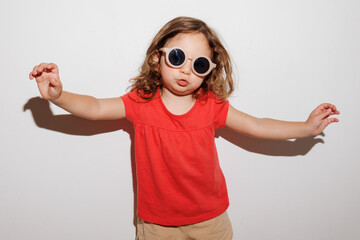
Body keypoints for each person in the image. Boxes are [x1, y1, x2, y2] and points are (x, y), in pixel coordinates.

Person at [29, 16, 340, 240]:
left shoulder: (211, 106)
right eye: (177, 57)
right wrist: (59, 95)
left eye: (199, 64)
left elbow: (256, 124)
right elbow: (95, 108)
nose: (185, 70)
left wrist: (305, 128)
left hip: (210, 221)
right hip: (156, 226)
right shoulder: (141, 102)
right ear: (157, 58)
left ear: (210, 71)